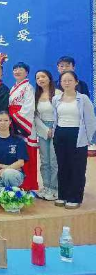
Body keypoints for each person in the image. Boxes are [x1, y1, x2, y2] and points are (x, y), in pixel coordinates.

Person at [52, 71, 96, 210]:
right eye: (64, 80)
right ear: (60, 83)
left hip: (77, 135)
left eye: (70, 80)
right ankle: (63, 195)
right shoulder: (56, 99)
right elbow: (55, 118)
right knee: (62, 166)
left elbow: (91, 120)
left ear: (76, 82)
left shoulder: (83, 99)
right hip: (60, 134)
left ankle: (75, 197)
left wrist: (88, 138)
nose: (67, 83)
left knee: (77, 167)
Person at [0, 111, 29, 196]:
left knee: (8, 173)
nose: (3, 123)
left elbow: (20, 162)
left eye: (6, 120)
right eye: (0, 120)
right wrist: (3, 168)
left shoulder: (19, 140)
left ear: (10, 122)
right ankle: (15, 193)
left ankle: (11, 193)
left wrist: (4, 170)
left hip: (14, 173)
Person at [8, 62, 38, 191]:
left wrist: (15, 118)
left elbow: (29, 108)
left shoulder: (28, 88)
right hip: (14, 122)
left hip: (23, 124)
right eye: (15, 69)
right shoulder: (13, 88)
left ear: (27, 73)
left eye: (20, 69)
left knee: (27, 153)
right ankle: (16, 182)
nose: (17, 71)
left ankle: (28, 184)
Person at [34, 70, 61, 201]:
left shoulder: (58, 93)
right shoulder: (36, 95)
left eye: (43, 76)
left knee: (54, 161)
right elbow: (35, 116)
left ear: (49, 78)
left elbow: (61, 113)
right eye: (38, 78)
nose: (40, 79)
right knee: (44, 161)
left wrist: (53, 128)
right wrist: (45, 129)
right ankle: (46, 187)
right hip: (42, 130)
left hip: (57, 128)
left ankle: (55, 189)